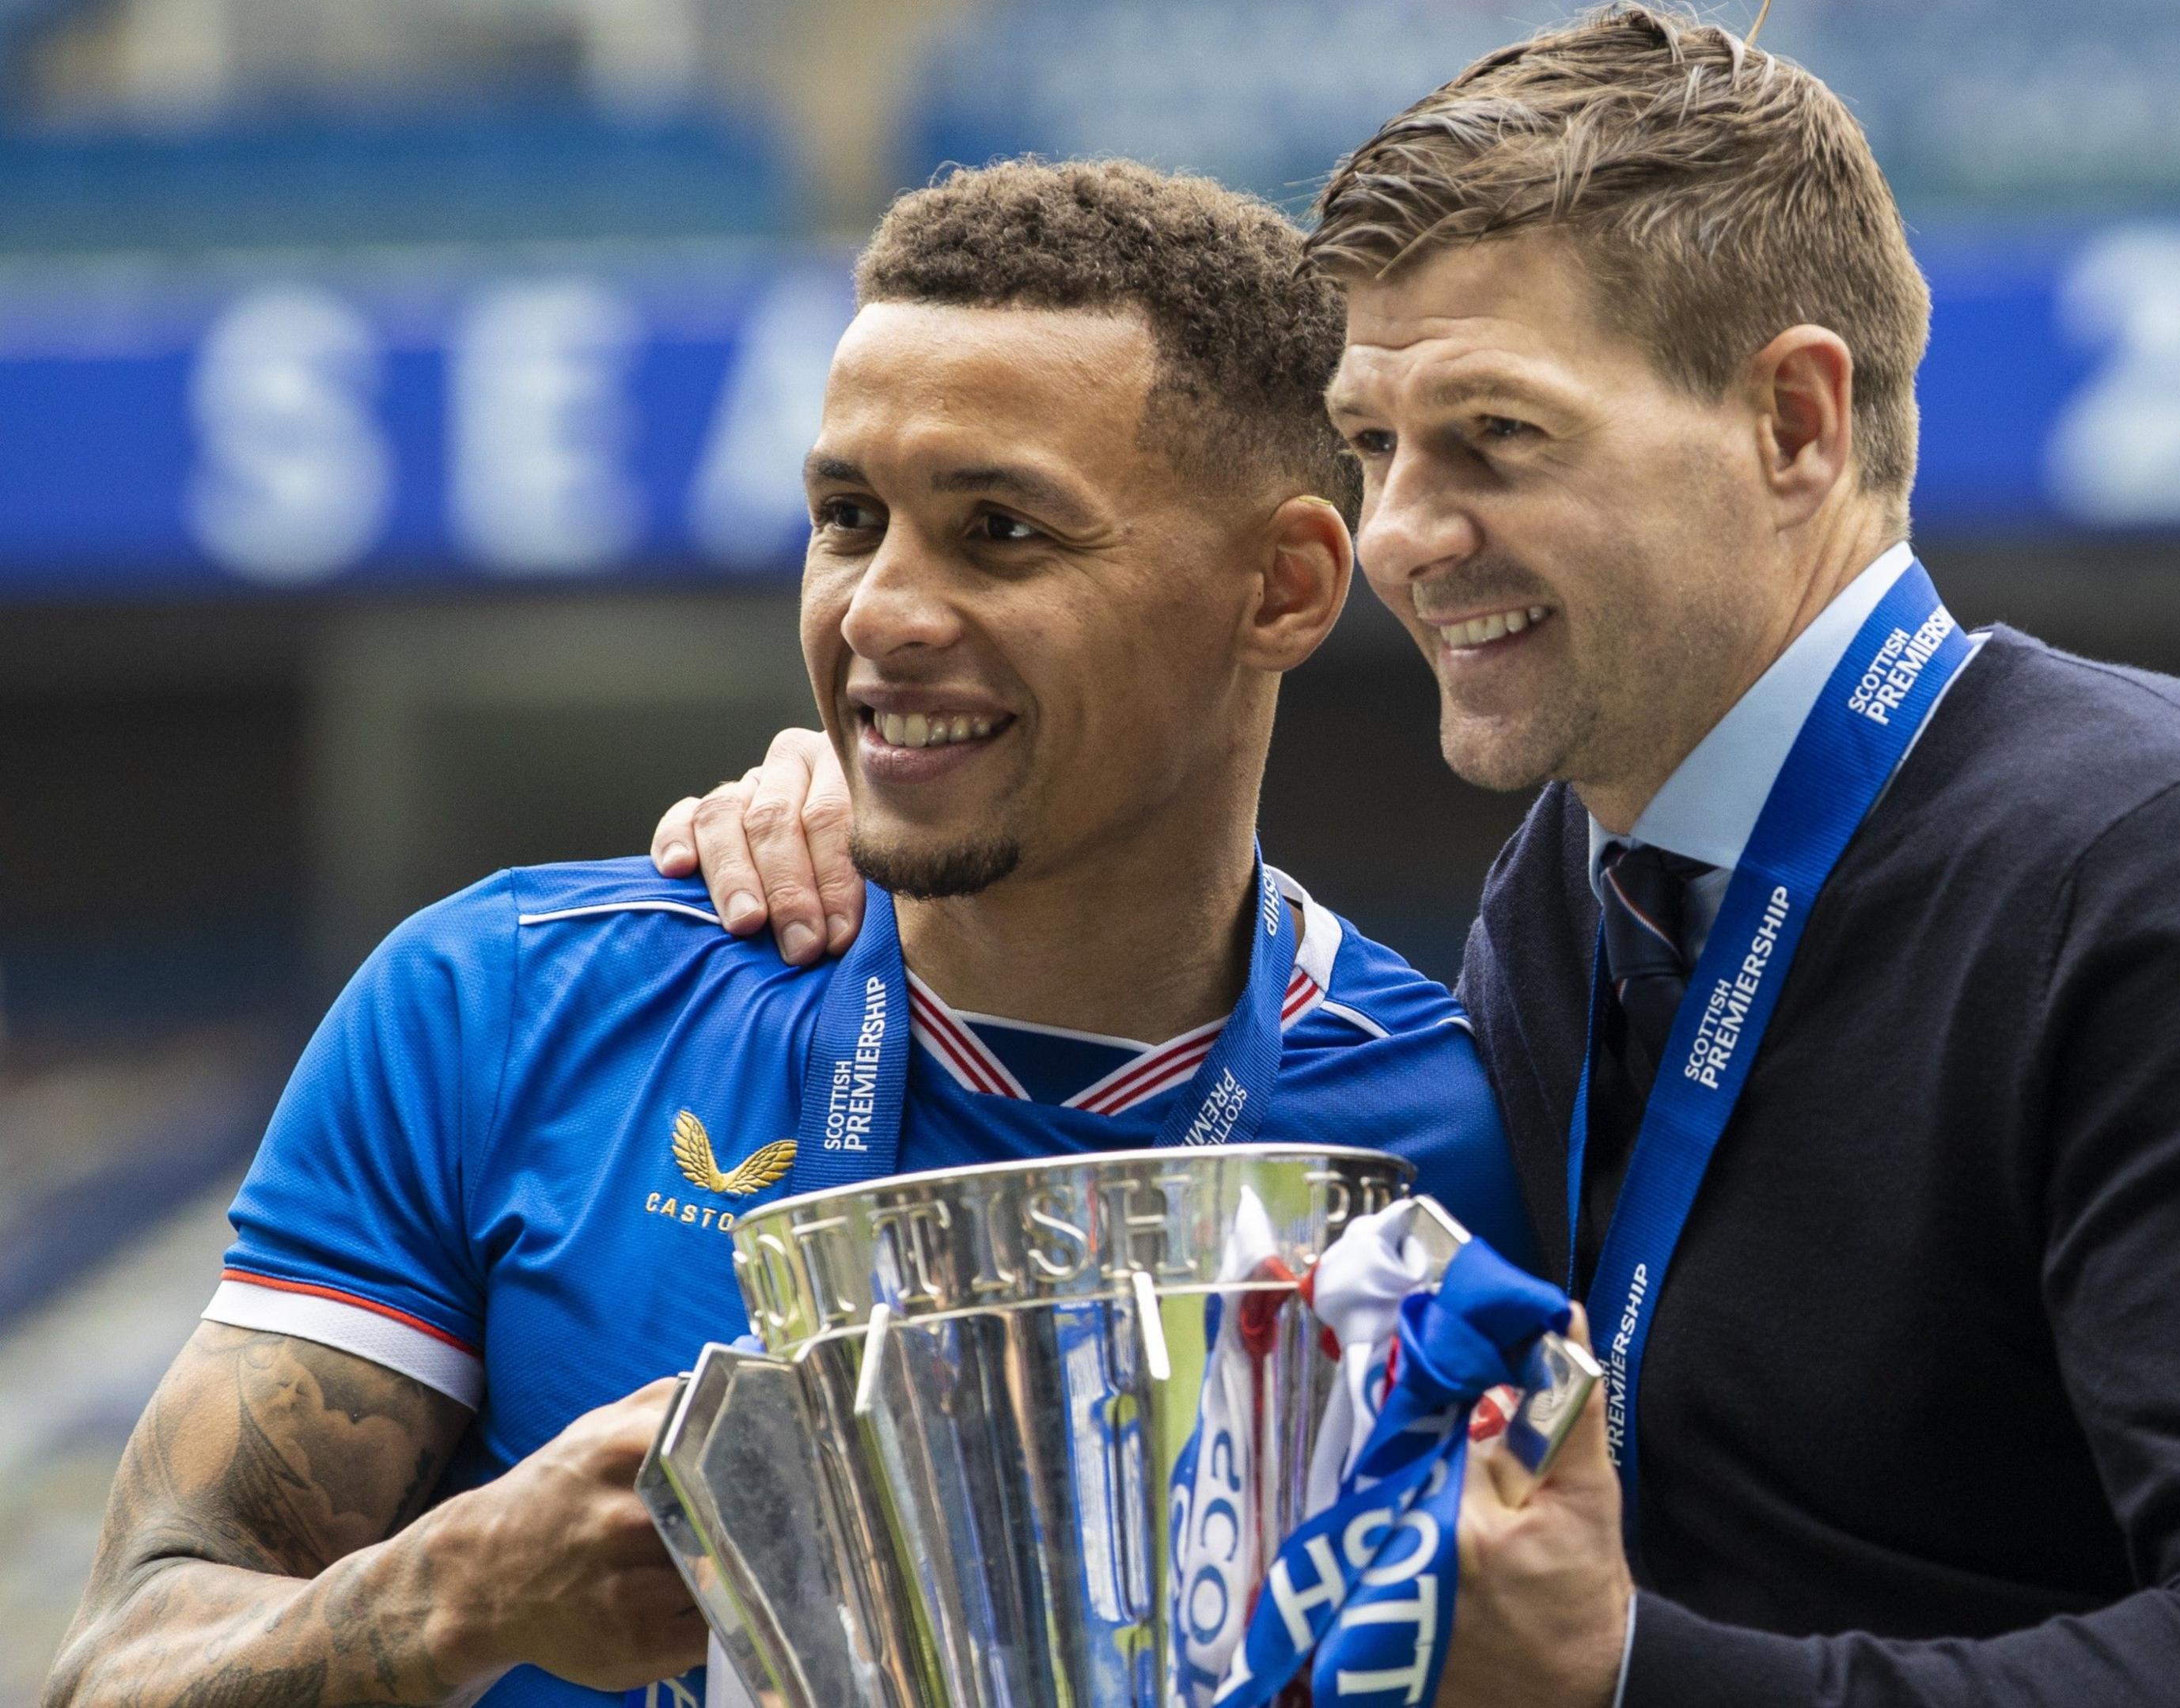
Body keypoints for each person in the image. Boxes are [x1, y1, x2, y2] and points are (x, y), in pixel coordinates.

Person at [669, 9, 2180, 1706]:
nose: (1407, 537)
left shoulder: (2178, 881)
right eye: (1374, 444)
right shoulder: (1575, 898)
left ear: (1797, 423)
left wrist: (1634, 1676)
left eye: (1495, 442)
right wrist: (871, 800)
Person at [45, 160, 1537, 1708]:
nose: (880, 608)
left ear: (1286, 586)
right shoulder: (504, 1008)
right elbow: (116, 1668)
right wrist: (461, 1591)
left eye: (1001, 532)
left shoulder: (1470, 1133)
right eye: (847, 517)